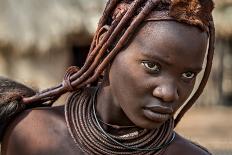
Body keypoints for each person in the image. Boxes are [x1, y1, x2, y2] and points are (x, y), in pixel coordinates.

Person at [0, 0, 215, 154]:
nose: (169, 93)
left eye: (188, 74)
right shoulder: (34, 134)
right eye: (152, 66)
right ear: (107, 45)